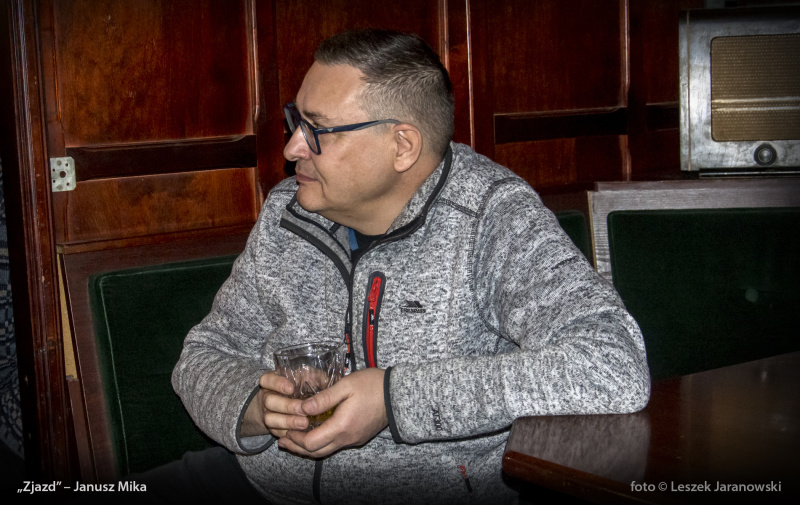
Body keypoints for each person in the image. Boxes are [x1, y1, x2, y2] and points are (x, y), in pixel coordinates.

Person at [167, 28, 650, 505]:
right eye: (296, 121)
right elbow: (204, 353)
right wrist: (256, 407)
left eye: (317, 130)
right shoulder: (287, 213)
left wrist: (393, 401)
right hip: (262, 483)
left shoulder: (491, 218)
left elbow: (612, 365)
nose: (292, 148)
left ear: (402, 146)